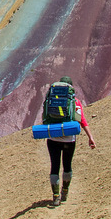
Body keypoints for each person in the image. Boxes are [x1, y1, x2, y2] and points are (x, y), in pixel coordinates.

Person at [47, 76, 96, 206]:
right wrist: (90, 137)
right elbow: (82, 120)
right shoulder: (76, 102)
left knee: (54, 166)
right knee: (67, 166)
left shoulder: (51, 100)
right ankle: (65, 191)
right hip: (69, 139)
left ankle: (55, 196)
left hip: (53, 138)